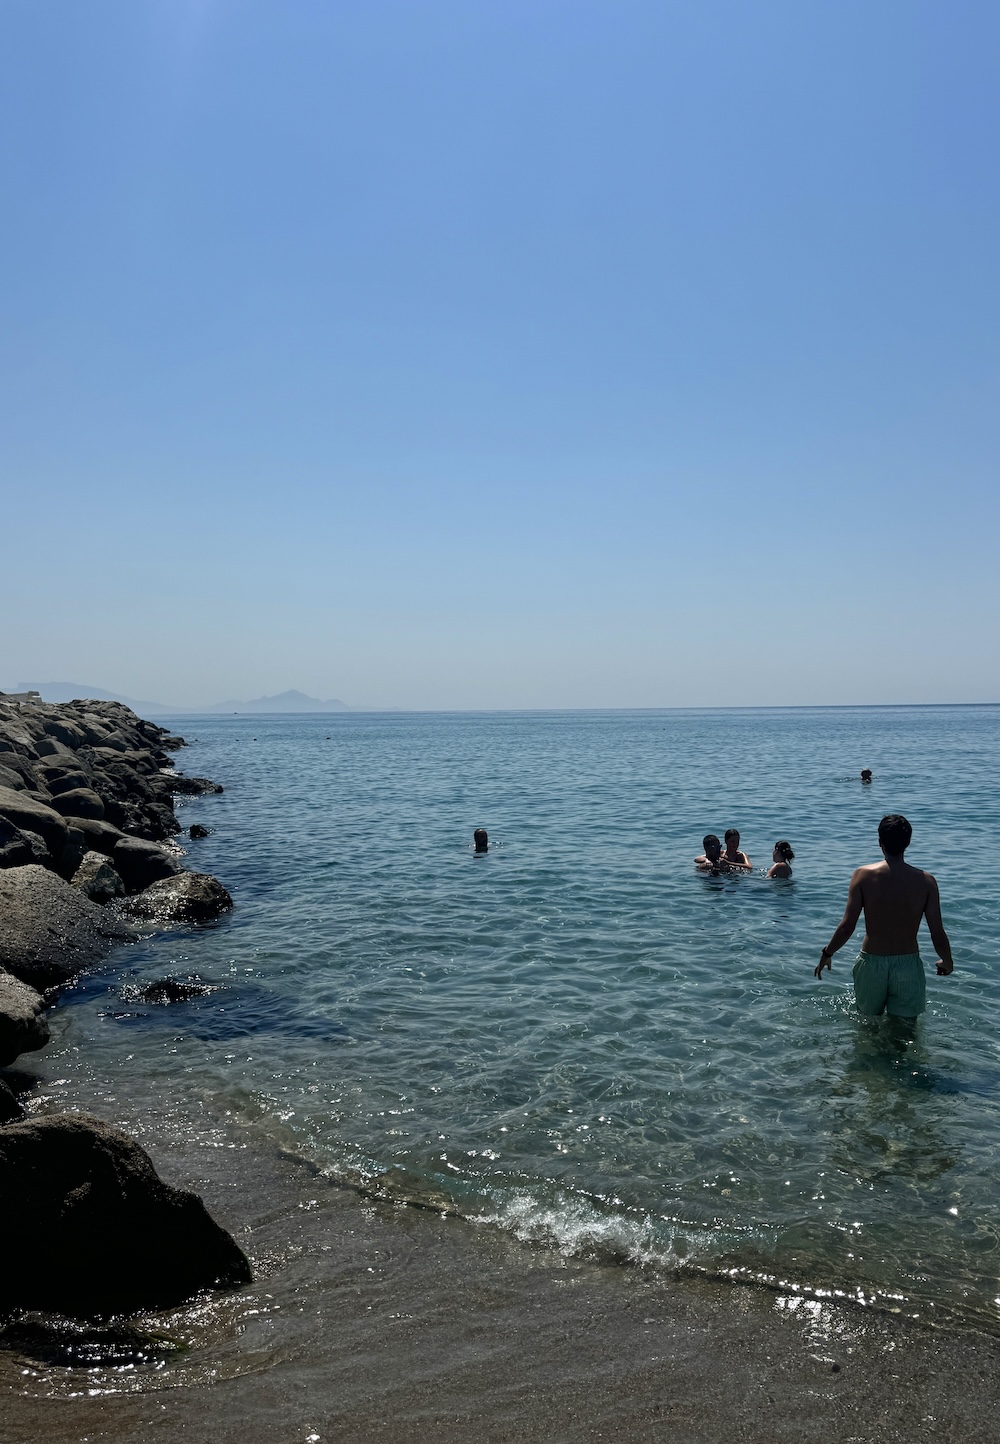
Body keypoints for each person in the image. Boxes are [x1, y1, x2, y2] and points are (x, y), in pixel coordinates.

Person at [814, 814, 954, 1021]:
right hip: (907, 965)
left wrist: (827, 952)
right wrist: (947, 961)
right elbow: (937, 933)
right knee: (906, 1029)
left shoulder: (863, 875)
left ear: (880, 842)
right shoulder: (926, 882)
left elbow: (847, 926)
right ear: (908, 843)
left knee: (867, 1025)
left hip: (872, 962)